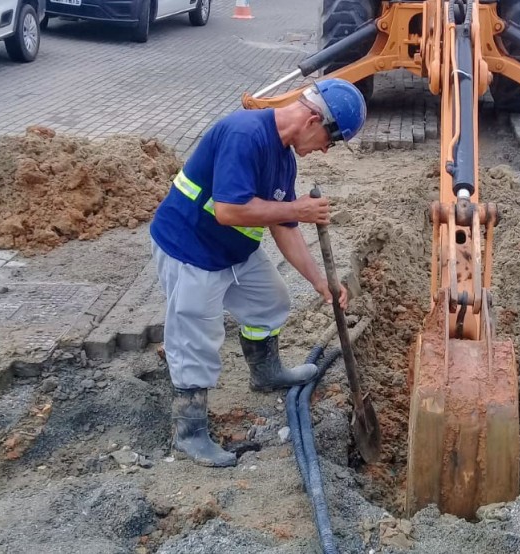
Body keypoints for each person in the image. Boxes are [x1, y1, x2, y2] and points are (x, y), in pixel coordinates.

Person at [149, 78, 367, 467]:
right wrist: (296, 210)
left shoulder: (283, 156)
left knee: (270, 301)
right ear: (313, 120)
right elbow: (229, 211)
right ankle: (189, 431)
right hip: (191, 248)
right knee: (195, 334)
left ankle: (264, 371)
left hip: (234, 252)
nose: (323, 151)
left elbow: (284, 226)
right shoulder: (244, 134)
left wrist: (321, 283)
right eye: (329, 141)